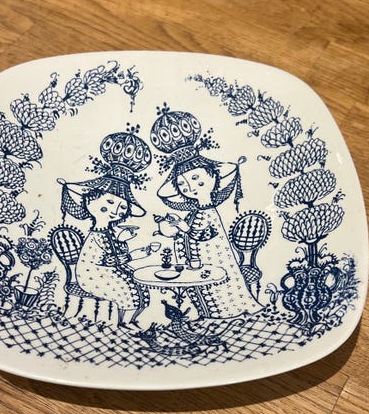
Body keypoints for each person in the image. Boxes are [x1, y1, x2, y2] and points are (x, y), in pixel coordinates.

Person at [150, 105, 262, 319]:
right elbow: (192, 230)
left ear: (213, 176)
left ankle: (227, 311)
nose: (189, 186)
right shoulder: (196, 211)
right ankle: (208, 312)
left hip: (212, 255)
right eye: (182, 184)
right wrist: (177, 227)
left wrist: (182, 227)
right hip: (198, 259)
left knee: (216, 280)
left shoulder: (208, 212)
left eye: (195, 178)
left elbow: (204, 235)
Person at [59, 127, 152, 328]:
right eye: (109, 203)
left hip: (105, 271)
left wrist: (125, 243)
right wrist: (132, 256)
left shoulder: (108, 233)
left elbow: (113, 254)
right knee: (127, 289)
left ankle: (130, 321)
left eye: (122, 208)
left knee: (141, 288)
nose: (115, 211)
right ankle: (122, 323)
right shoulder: (97, 236)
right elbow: (108, 260)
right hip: (91, 275)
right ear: (90, 201)